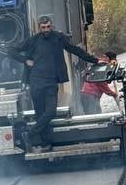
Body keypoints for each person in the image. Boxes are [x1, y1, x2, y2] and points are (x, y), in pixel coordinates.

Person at [10, 15, 97, 149]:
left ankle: (30, 134)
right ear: (39, 28)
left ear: (52, 26)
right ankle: (46, 143)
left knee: (50, 112)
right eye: (43, 27)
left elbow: (74, 49)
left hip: (51, 83)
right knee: (40, 115)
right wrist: (25, 61)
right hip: (36, 82)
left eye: (48, 27)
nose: (46, 30)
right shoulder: (33, 40)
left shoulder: (58, 38)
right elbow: (11, 51)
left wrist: (94, 60)